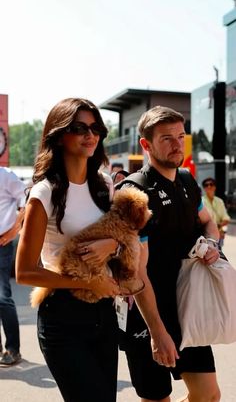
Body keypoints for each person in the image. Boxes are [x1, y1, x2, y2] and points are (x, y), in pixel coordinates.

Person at [15, 98, 121, 402]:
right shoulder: (45, 192)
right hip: (63, 315)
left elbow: (120, 233)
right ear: (60, 135)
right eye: (79, 128)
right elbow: (24, 272)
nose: (91, 135)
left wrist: (112, 243)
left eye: (96, 128)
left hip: (104, 313)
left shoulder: (103, 184)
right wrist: (88, 281)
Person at [119, 106, 221, 402]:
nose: (178, 145)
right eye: (167, 139)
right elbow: (137, 273)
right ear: (146, 144)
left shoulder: (188, 181)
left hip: (187, 308)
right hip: (146, 316)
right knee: (156, 399)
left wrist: (212, 245)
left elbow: (209, 223)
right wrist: (158, 332)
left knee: (208, 395)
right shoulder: (134, 193)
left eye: (181, 136)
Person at [0, 166, 25, 366]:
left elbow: (27, 202)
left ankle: (13, 349)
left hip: (1, 244)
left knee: (2, 297)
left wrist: (14, 230)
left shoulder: (5, 175)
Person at [202, 177, 231, 247]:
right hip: (206, 236)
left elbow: (226, 219)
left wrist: (220, 229)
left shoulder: (219, 201)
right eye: (206, 185)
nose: (209, 186)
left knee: (219, 255)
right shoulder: (201, 201)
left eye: (211, 184)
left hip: (219, 235)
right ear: (204, 188)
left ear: (214, 187)